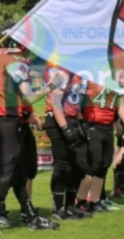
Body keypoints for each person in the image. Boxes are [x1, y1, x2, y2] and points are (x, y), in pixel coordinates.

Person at [0, 22, 63, 233]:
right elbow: (30, 95)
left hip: (3, 120)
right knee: (7, 173)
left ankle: (31, 216)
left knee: (20, 173)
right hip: (8, 121)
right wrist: (52, 84)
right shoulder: (14, 60)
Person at [42, 63, 92, 220]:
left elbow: (73, 103)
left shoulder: (79, 74)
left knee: (78, 166)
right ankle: (58, 208)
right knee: (63, 166)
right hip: (58, 122)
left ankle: (70, 206)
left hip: (71, 120)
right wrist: (65, 128)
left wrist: (81, 121)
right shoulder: (63, 73)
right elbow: (56, 103)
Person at [77, 82, 124, 209]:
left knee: (104, 164)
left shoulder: (112, 83)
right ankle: (80, 200)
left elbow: (120, 102)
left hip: (108, 127)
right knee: (94, 164)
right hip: (92, 125)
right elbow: (76, 100)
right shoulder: (88, 80)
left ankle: (95, 201)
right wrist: (81, 122)